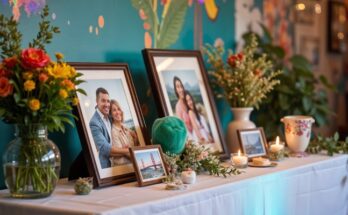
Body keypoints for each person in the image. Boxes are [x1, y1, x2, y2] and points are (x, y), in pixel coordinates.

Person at [109, 99, 138, 166]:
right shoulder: (113, 131)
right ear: (110, 114)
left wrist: (135, 138)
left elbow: (134, 147)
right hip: (123, 168)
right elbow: (124, 153)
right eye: (114, 110)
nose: (117, 112)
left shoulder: (125, 127)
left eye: (118, 109)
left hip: (133, 165)